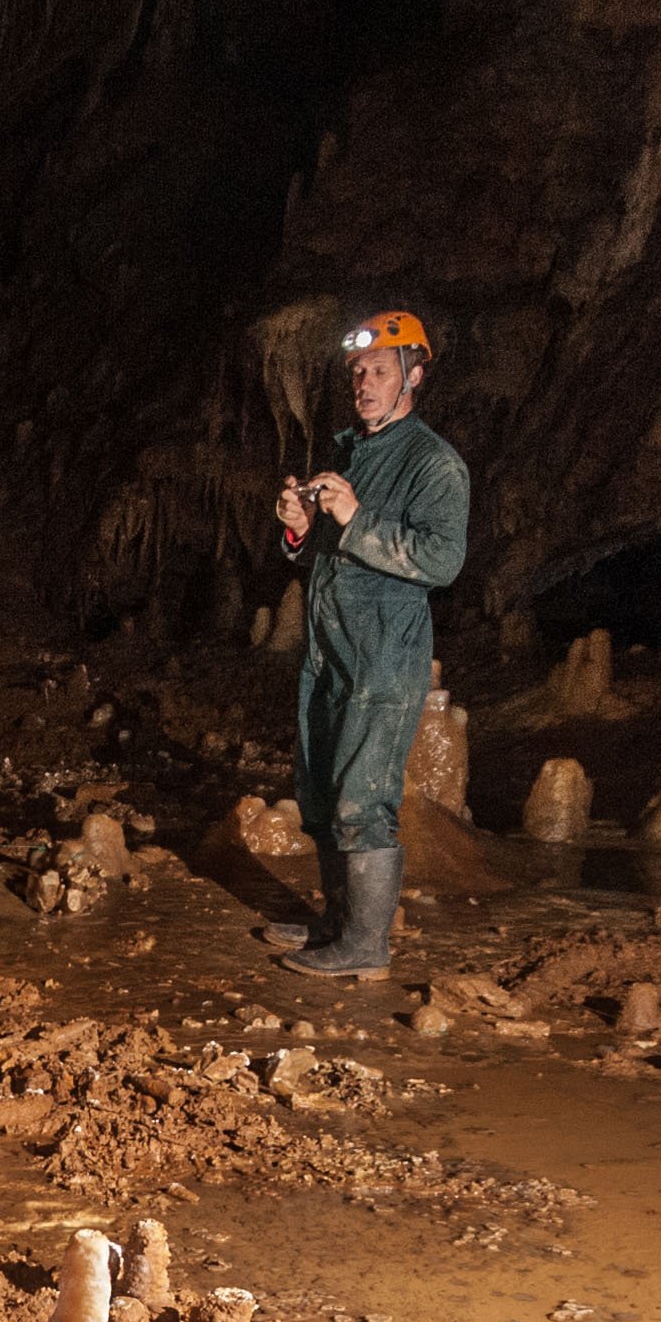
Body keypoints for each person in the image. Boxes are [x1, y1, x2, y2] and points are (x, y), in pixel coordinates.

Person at [266, 308, 469, 980]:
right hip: (331, 654)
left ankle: (366, 946)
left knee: (363, 798)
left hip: (385, 658)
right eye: (358, 372)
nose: (364, 383)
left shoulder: (433, 464)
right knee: (322, 793)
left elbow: (441, 561)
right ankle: (337, 921)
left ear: (413, 375)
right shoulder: (352, 451)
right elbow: (329, 557)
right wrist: (301, 529)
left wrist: (355, 516)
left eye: (379, 371)